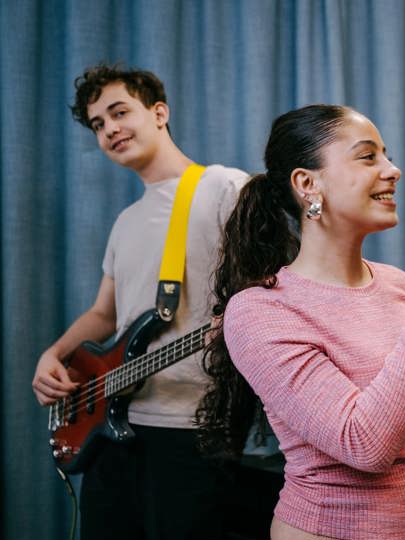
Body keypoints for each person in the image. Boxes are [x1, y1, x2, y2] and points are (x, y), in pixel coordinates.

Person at [195, 104, 405, 540]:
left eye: (387, 155)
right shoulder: (260, 311)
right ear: (307, 184)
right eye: (368, 156)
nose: (393, 170)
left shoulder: (396, 284)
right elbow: (366, 443)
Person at [30, 64, 248, 539]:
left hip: (194, 431)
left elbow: (276, 286)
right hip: (115, 431)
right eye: (98, 125)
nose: (109, 130)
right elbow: (104, 315)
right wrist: (54, 354)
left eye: (119, 112)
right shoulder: (126, 221)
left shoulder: (225, 187)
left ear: (159, 112)